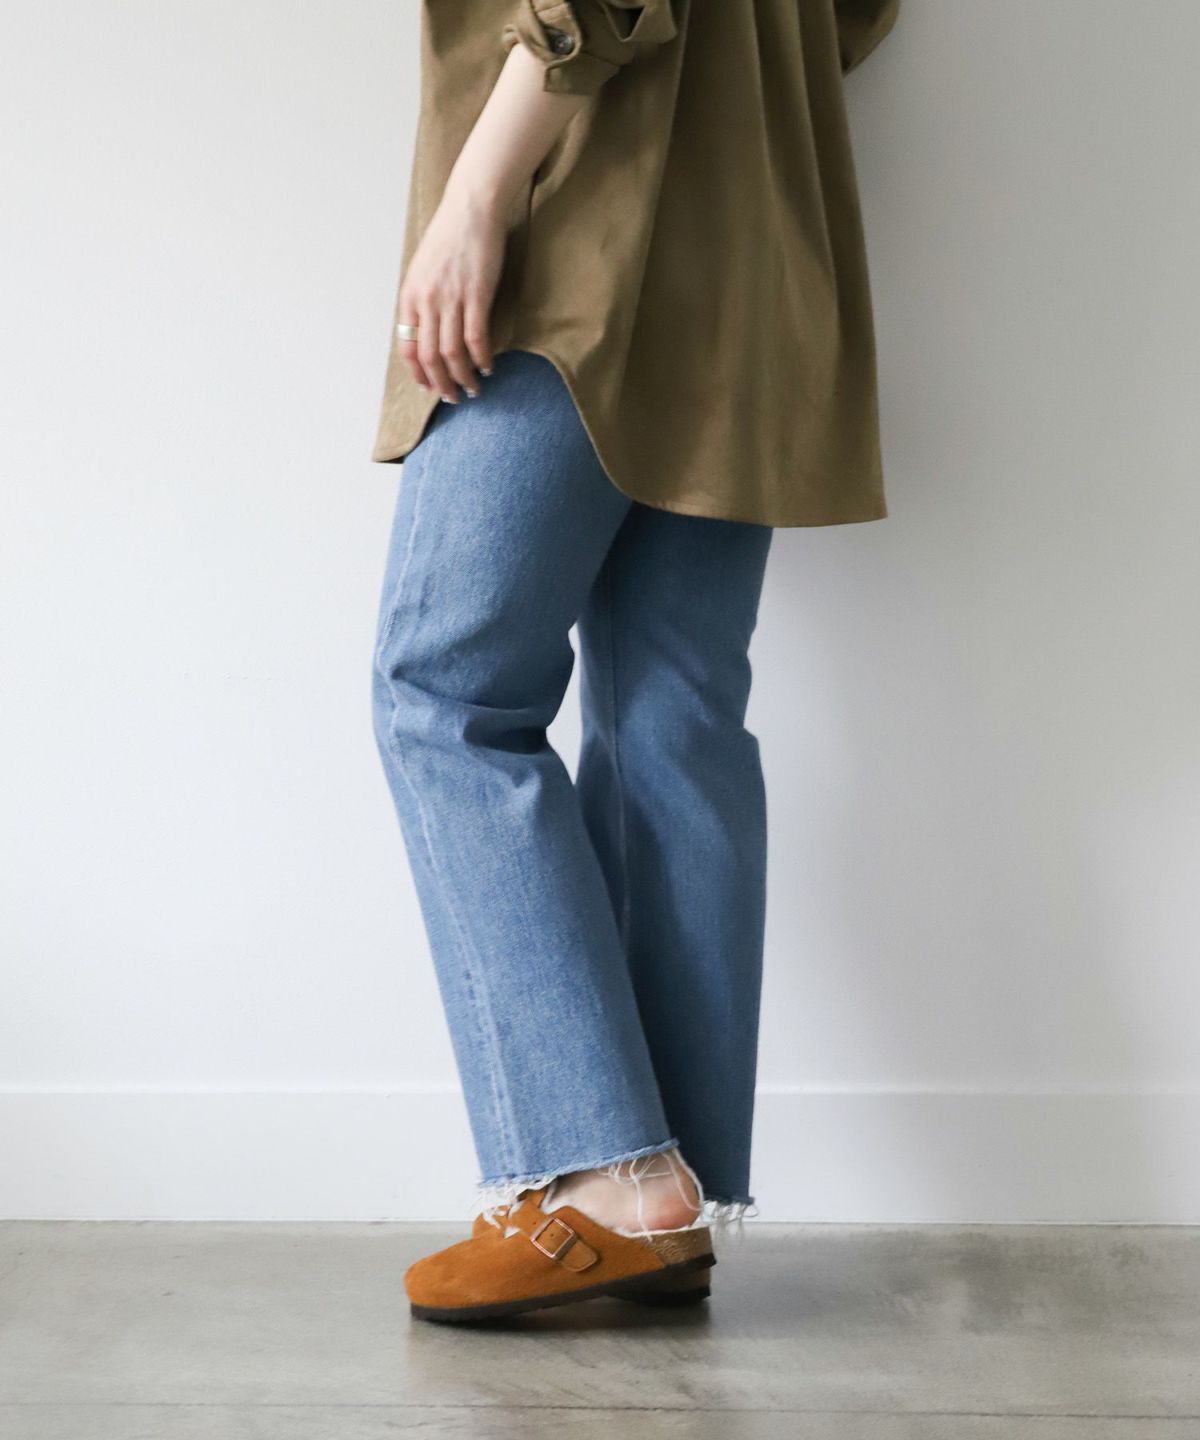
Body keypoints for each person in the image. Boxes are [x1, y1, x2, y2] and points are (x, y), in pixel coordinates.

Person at [369, 0, 900, 1324]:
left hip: (581, 244)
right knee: (674, 715)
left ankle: (603, 1172)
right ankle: (670, 1200)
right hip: (757, 254)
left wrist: (480, 193)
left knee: (446, 697)